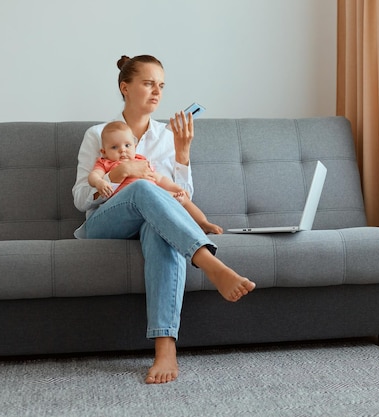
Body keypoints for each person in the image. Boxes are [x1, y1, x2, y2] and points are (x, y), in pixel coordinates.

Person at [72, 54, 255, 384]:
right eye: (147, 84)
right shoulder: (98, 134)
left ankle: (165, 349)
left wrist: (183, 155)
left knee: (160, 231)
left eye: (161, 86)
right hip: (105, 223)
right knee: (142, 188)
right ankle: (211, 264)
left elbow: (178, 199)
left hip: (152, 224)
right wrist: (119, 175)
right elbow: (80, 199)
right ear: (124, 87)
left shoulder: (167, 136)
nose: (157, 92)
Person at [89, 120, 223, 234]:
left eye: (127, 145)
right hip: (127, 202)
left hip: (154, 196)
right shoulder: (106, 163)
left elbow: (159, 179)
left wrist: (177, 189)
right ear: (104, 152)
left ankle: (203, 223)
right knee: (144, 188)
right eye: (114, 147)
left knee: (182, 199)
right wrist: (100, 183)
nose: (122, 150)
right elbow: (94, 176)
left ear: (135, 147)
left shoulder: (141, 161)